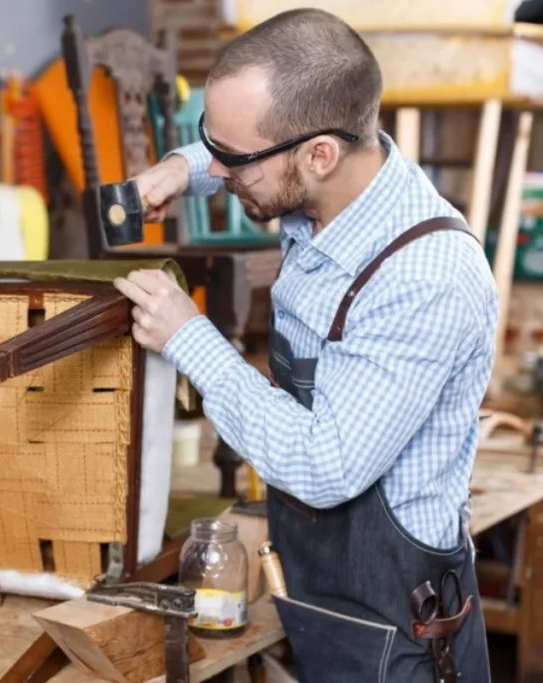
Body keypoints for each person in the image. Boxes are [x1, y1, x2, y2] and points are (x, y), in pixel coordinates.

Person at [113, 8, 496, 683]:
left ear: (320, 153)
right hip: (320, 591)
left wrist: (188, 338)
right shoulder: (331, 179)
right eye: (214, 146)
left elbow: (326, 466)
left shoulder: (424, 276)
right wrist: (180, 166)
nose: (221, 171)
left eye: (231, 159)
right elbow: (249, 146)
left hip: (395, 628)